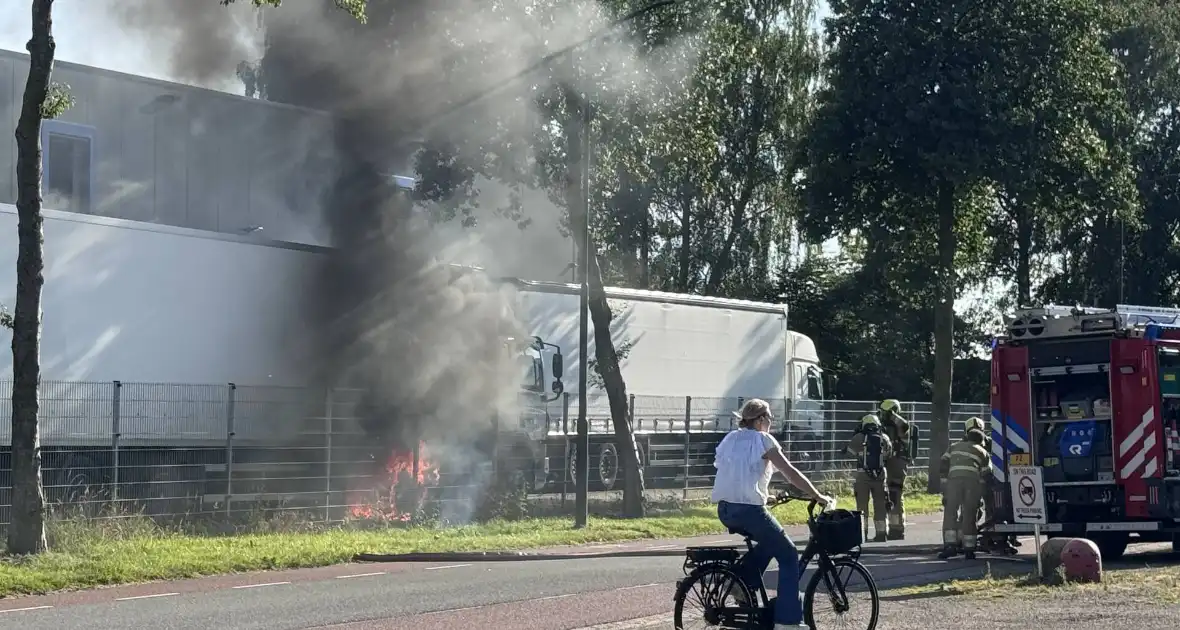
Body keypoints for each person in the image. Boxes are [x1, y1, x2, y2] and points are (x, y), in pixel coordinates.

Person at [712, 398, 836, 630]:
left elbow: (735, 473)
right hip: (749, 510)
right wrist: (817, 495)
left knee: (771, 541)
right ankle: (787, 622)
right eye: (769, 418)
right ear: (760, 420)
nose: (770, 422)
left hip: (726, 509)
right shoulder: (763, 440)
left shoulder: (730, 438)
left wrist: (763, 494)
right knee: (788, 554)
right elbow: (790, 472)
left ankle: (741, 580)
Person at [937, 428, 992, 560]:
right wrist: (981, 496)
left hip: (953, 482)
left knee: (950, 512)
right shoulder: (983, 452)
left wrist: (944, 486)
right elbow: (986, 474)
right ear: (980, 441)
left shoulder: (954, 446)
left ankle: (950, 546)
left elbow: (943, 463)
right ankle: (969, 549)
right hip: (972, 485)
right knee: (970, 514)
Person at [843, 413, 893, 542]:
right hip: (881, 474)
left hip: (862, 474)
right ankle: (881, 533)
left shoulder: (858, 437)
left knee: (862, 505)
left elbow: (850, 453)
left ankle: (862, 533)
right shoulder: (885, 438)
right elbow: (889, 455)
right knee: (880, 504)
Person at [878, 399, 912, 540]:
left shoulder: (902, 426)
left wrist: (891, 415)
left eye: (884, 413)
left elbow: (903, 425)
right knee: (884, 495)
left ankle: (897, 529)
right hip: (886, 463)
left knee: (895, 494)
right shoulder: (884, 427)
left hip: (898, 463)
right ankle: (888, 528)